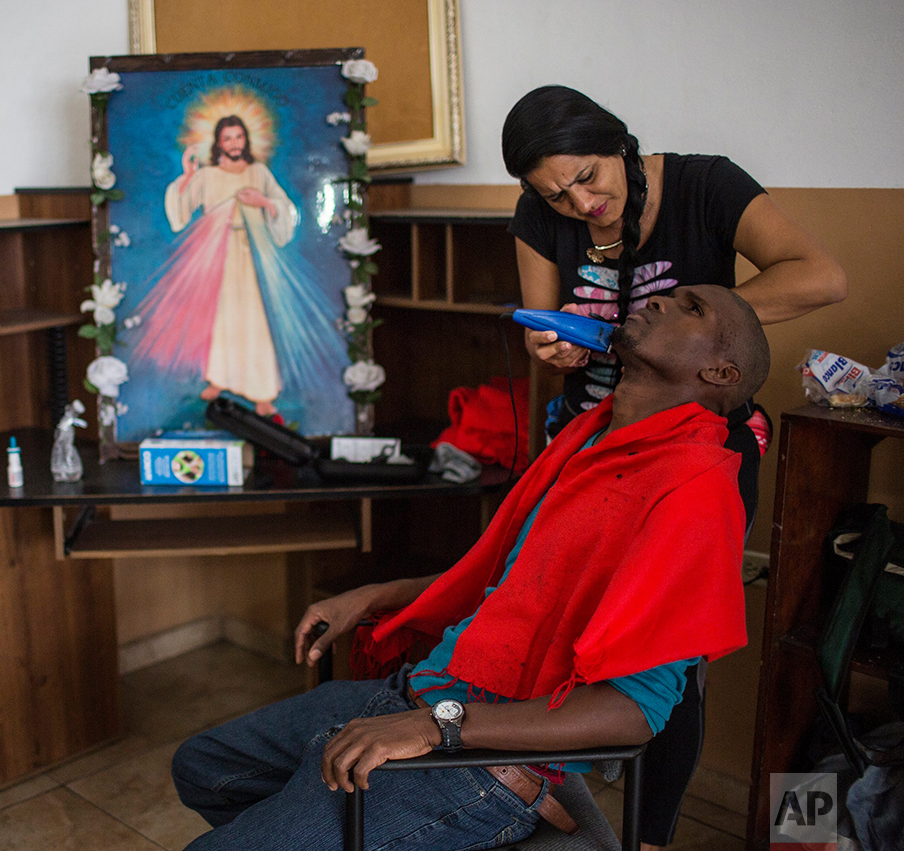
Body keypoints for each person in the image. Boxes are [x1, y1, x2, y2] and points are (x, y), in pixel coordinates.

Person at [172, 284, 770, 851]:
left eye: (690, 308)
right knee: (206, 765)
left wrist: (437, 728)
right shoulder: (588, 439)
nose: (661, 299)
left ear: (721, 374)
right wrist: (377, 595)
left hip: (472, 759)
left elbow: (633, 712)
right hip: (422, 692)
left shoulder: (695, 490)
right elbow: (517, 584)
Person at [502, 85, 846, 847]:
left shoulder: (704, 185)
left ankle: (648, 834)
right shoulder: (538, 214)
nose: (579, 203)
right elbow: (541, 320)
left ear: (618, 143)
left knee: (669, 653)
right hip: (591, 444)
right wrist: (553, 344)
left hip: (694, 455)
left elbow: (821, 276)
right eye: (555, 195)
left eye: (588, 176)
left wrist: (701, 323)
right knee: (544, 612)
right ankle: (535, 785)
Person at [130, 115, 298, 416]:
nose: (234, 143)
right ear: (219, 143)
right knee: (219, 317)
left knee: (252, 320)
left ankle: (261, 392)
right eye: (227, 138)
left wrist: (264, 203)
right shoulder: (207, 176)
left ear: (246, 139)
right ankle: (219, 379)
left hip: (249, 254)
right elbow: (181, 212)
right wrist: (187, 175)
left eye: (238, 137)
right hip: (213, 254)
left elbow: (283, 208)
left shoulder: (259, 172)